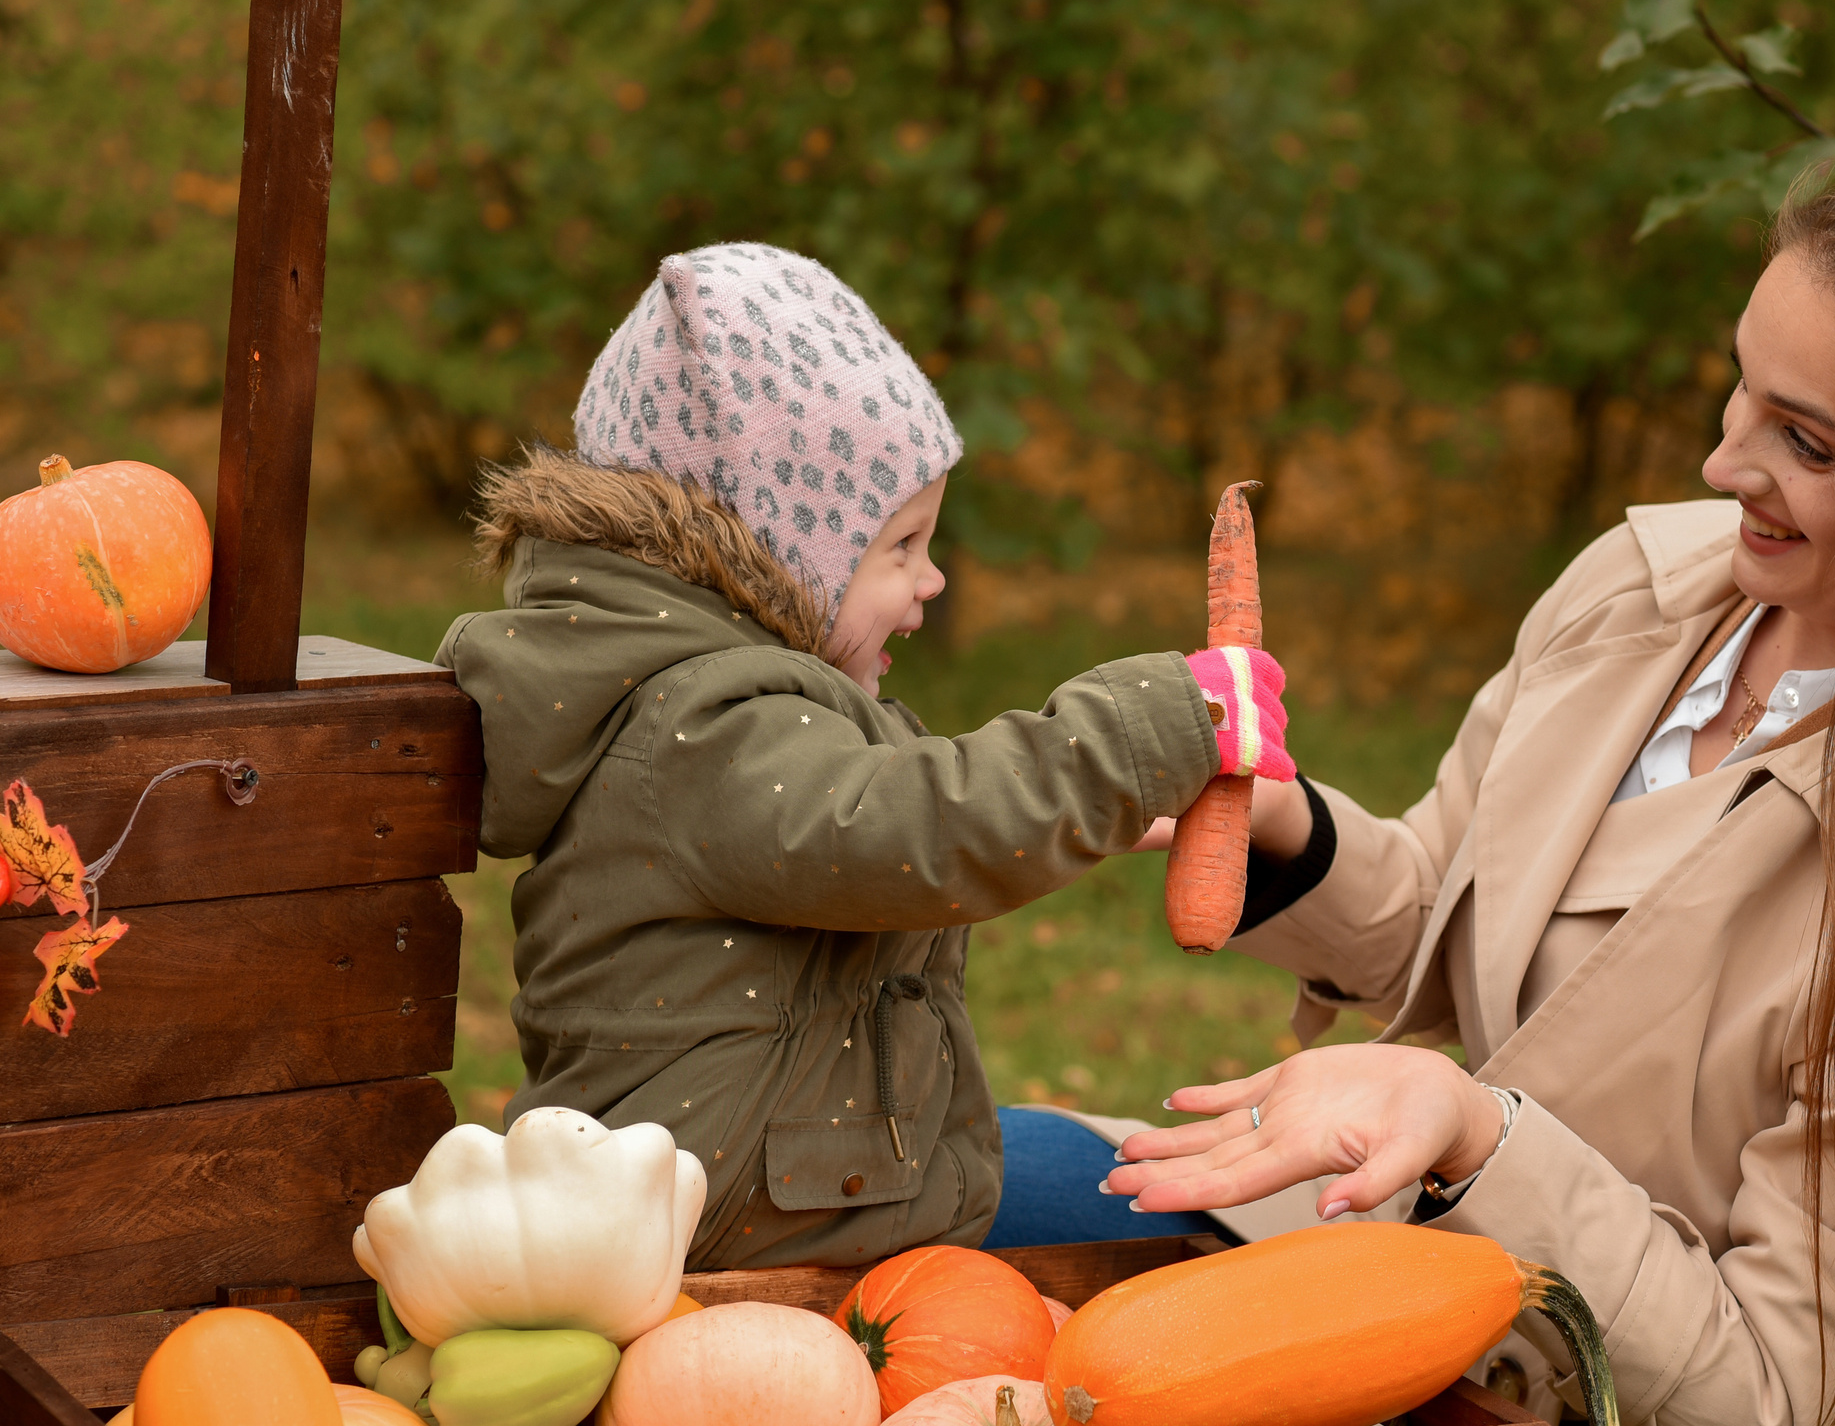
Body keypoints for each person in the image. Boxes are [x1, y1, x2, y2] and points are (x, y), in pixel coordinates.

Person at [1095, 158, 1835, 1426]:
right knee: (994, 1204)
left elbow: (1766, 1413)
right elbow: (1454, 906)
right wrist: (1285, 829)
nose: (1725, 464)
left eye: (1807, 443)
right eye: (1742, 388)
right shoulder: (1645, 586)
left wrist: (1479, 1137)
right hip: (1386, 1300)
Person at [435, 241, 1293, 1269]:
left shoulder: (710, 707)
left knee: (1106, 1186)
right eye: (900, 546)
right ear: (784, 548)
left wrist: (1097, 806)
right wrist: (1141, 732)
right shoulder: (705, 724)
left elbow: (892, 816)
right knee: (1171, 1243)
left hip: (787, 1207)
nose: (931, 580)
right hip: (737, 1258)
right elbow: (908, 827)